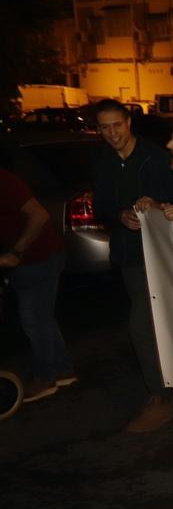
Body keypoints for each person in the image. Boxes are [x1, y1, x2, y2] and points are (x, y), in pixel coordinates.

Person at [90, 98, 173, 432]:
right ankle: (171, 386)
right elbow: (101, 206)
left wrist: (152, 207)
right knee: (154, 326)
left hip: (158, 256)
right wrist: (119, 215)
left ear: (129, 122)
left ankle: (161, 397)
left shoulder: (155, 156)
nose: (112, 133)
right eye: (104, 127)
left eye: (117, 125)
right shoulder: (103, 161)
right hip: (128, 256)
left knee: (141, 328)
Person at [0, 167, 75, 402]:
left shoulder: (3, 180)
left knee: (33, 319)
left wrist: (15, 252)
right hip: (32, 260)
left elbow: (39, 215)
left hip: (38, 259)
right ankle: (62, 371)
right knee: (43, 317)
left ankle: (46, 378)